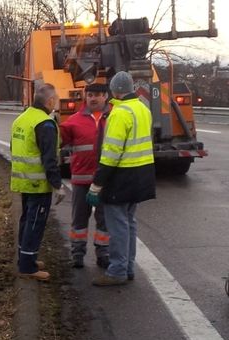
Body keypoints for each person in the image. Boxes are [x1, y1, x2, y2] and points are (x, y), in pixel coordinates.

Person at [86, 71, 156, 286]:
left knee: (118, 227)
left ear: (114, 91)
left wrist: (97, 184)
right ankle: (128, 267)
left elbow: (111, 154)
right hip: (142, 174)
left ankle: (117, 271)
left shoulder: (119, 113)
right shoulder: (143, 109)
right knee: (130, 223)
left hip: (121, 177)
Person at [10, 83, 66, 282]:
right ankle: (27, 266)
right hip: (38, 183)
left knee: (27, 219)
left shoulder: (22, 119)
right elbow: (49, 159)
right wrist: (58, 185)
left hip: (22, 180)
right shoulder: (45, 124)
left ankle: (25, 258)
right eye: (56, 99)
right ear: (50, 101)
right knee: (35, 223)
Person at [60, 83, 111, 269]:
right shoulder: (74, 120)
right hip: (81, 180)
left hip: (105, 180)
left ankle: (103, 253)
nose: (93, 98)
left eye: (97, 95)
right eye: (89, 95)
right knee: (79, 219)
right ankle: (77, 253)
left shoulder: (114, 118)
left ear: (105, 96)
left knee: (104, 220)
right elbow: (56, 139)